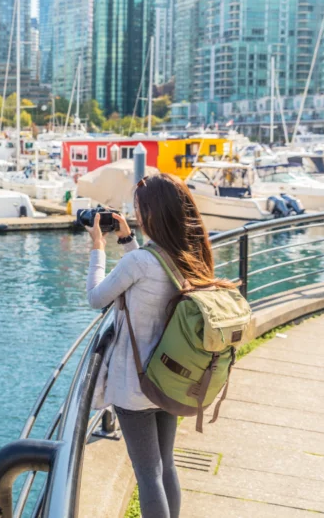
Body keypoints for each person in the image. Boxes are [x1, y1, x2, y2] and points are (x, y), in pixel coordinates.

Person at [85, 173, 232, 518]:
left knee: (147, 477)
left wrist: (97, 248)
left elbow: (96, 297)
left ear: (152, 214)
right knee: (166, 467)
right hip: (172, 376)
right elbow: (154, 275)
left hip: (135, 385)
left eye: (138, 209)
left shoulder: (140, 263)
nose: (135, 215)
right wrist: (127, 241)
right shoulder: (189, 256)